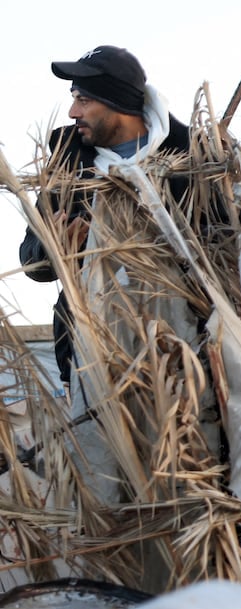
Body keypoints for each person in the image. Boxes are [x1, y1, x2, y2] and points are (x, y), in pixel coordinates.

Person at [19, 45, 192, 391]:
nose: (71, 111)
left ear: (116, 102)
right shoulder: (68, 165)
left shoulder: (191, 160)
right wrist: (54, 251)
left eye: (83, 100)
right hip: (89, 359)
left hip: (182, 359)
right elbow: (29, 258)